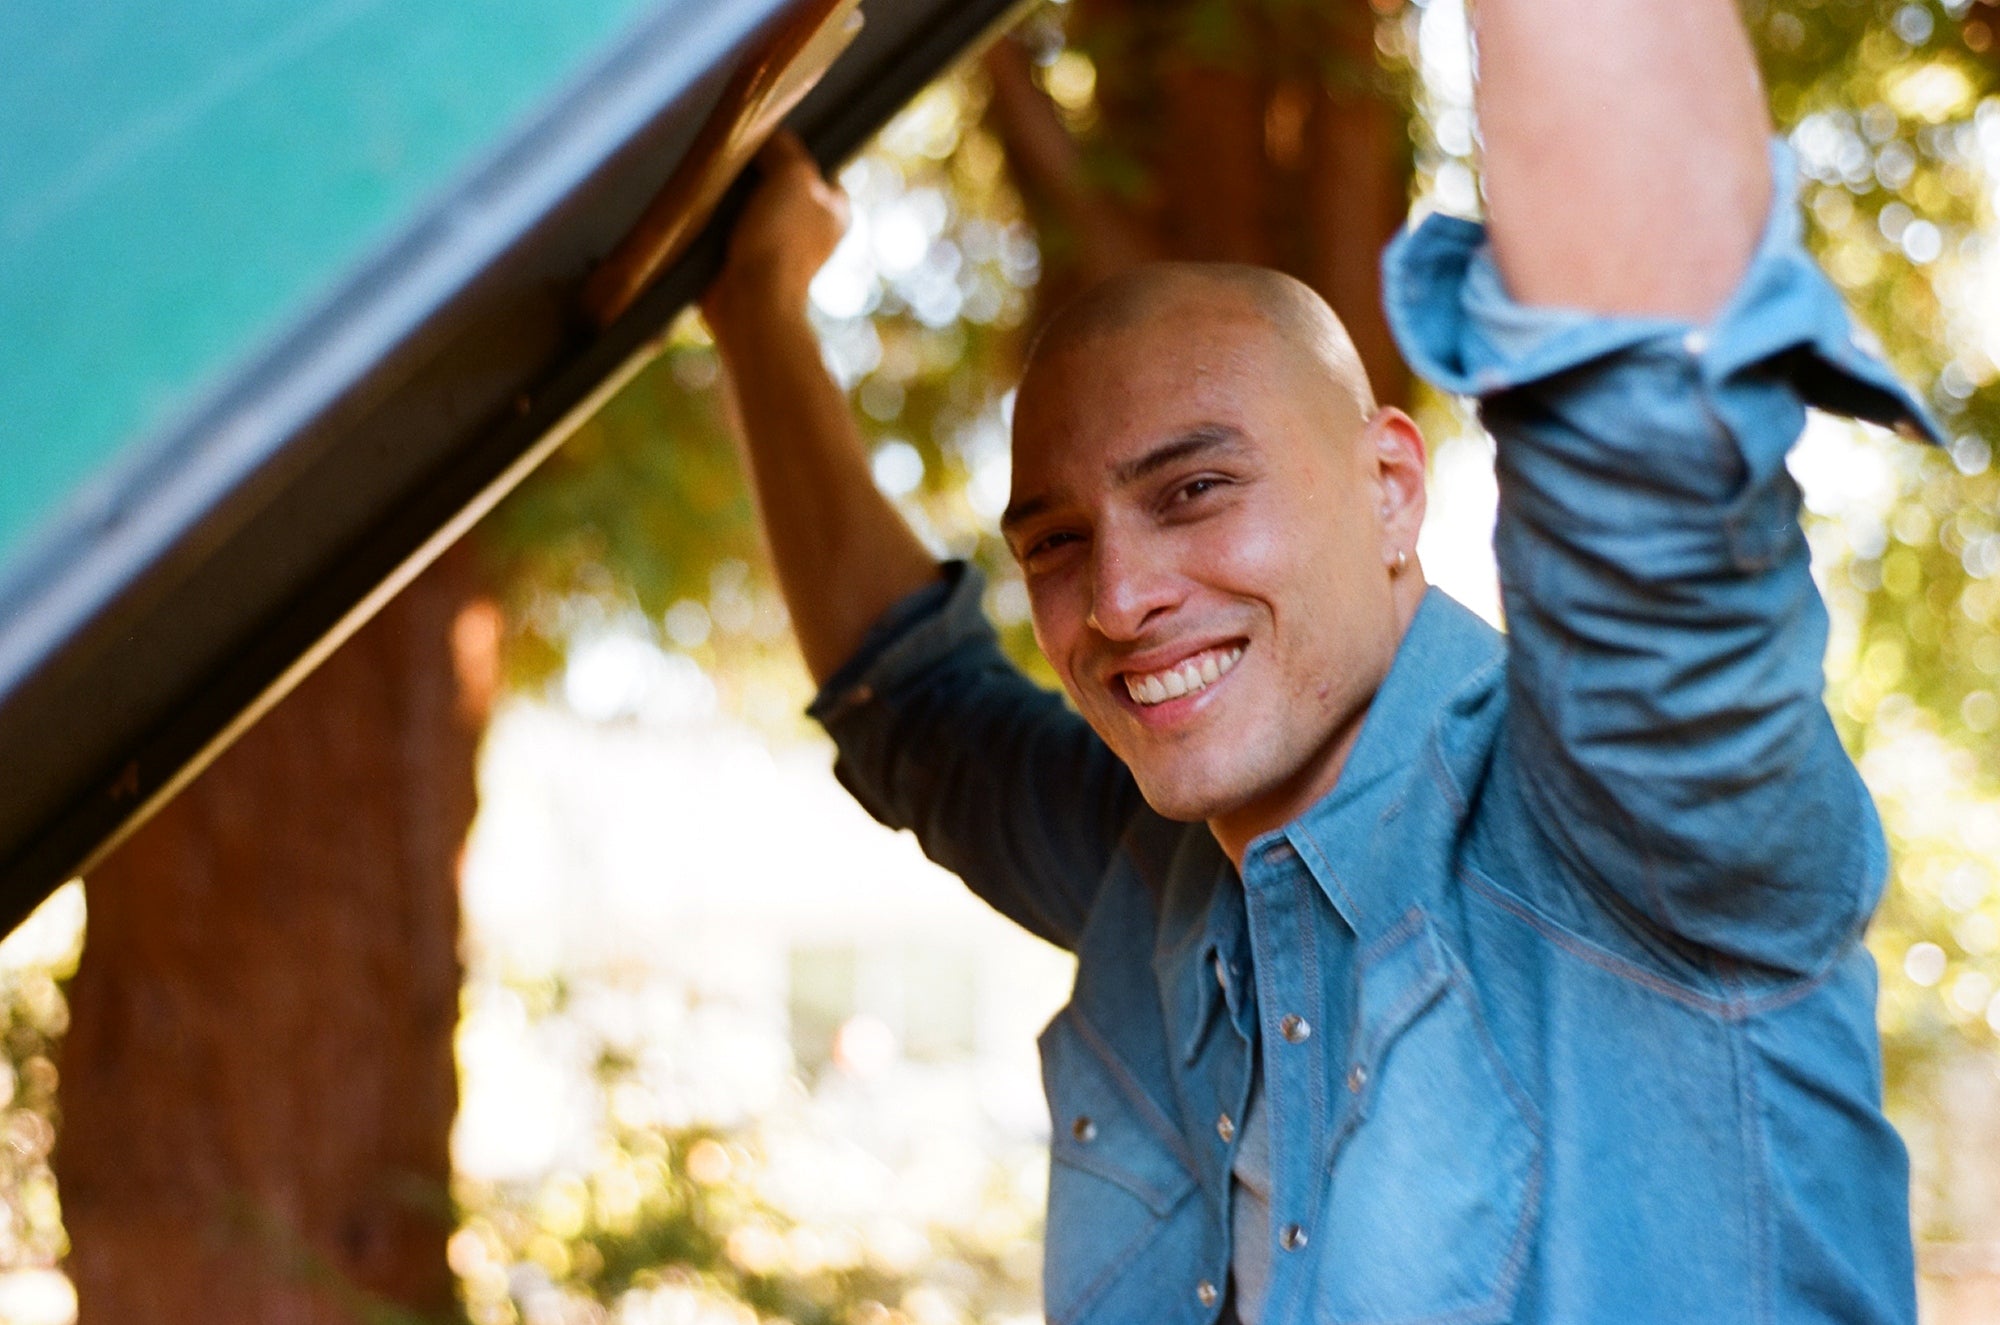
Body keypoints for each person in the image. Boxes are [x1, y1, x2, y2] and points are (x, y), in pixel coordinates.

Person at [698, 1, 1935, 1320]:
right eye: (1057, 543)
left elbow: (1645, 408)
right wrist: (752, 304)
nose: (1116, 599)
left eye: (1194, 491)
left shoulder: (1629, 826)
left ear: (1391, 486)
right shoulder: (1146, 867)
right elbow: (913, 705)